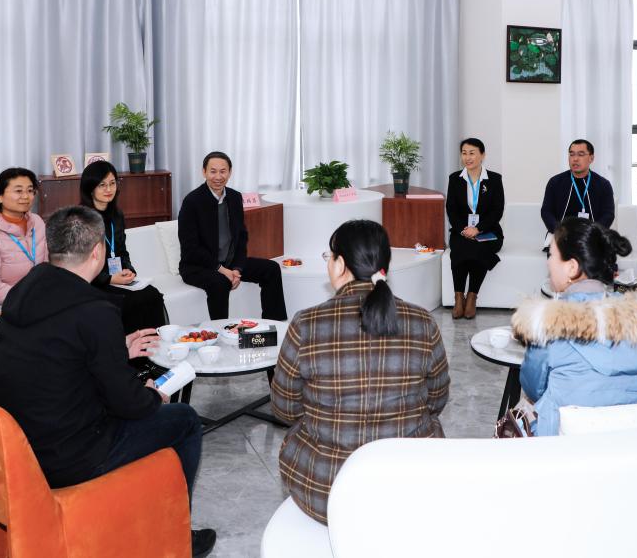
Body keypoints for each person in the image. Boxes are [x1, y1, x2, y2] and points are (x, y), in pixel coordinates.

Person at [0, 206, 216, 556]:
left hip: (24, 444)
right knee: (183, 419)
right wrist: (151, 395)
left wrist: (115, 349)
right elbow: (127, 403)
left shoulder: (23, 291)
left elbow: (60, 353)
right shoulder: (94, 310)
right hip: (71, 455)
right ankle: (173, 534)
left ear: (50, 247)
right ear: (97, 252)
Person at [271, 219, 449, 524]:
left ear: (340, 264)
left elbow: (284, 409)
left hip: (324, 490)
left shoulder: (306, 325)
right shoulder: (423, 322)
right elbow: (436, 401)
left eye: (329, 257)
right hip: (411, 488)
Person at [512, 218, 637, 436]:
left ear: (572, 267)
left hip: (563, 443)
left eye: (551, 255)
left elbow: (533, 387)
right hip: (633, 440)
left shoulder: (549, 324)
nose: (548, 263)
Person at [178, 151, 288, 320]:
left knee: (271, 269)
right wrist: (222, 270)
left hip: (229, 263)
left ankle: (274, 325)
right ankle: (221, 331)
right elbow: (190, 248)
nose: (218, 177)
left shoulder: (235, 197)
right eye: (213, 171)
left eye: (223, 171)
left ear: (230, 172)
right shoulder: (192, 201)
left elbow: (241, 237)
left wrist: (237, 268)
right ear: (204, 172)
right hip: (197, 266)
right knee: (220, 282)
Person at [80, 161, 167, 333]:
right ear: (90, 188)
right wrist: (109, 279)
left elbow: (121, 251)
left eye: (112, 183)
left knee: (153, 294)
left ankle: (154, 346)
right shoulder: (81, 219)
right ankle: (130, 349)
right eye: (102, 185)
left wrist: (129, 269)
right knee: (130, 302)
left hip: (117, 278)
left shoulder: (117, 215)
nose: (109, 189)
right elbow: (80, 265)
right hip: (94, 282)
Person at [445, 138, 505, 319]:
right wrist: (463, 229)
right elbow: (451, 209)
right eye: (464, 153)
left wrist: (478, 229)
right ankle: (458, 297)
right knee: (461, 247)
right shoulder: (455, 179)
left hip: (488, 231)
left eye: (472, 153)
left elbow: (497, 211)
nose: (467, 157)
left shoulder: (494, 179)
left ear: (482, 155)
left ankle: (471, 297)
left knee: (476, 247)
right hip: (461, 231)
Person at [0, 168, 48, 304]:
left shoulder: (37, 221)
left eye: (30, 190)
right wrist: (29, 300)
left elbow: (48, 264)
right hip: (9, 303)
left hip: (41, 296)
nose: (26, 196)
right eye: (18, 191)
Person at [540, 139, 615, 235]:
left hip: (592, 235)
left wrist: (592, 233)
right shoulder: (555, 182)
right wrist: (558, 230)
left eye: (581, 154)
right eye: (572, 154)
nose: (575, 159)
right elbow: (546, 211)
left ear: (591, 158)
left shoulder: (603, 184)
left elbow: (608, 214)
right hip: (560, 234)